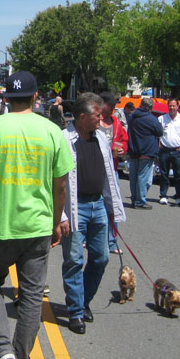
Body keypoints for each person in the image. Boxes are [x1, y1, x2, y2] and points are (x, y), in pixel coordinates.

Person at [0, 71, 74, 359]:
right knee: (31, 297)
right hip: (38, 226)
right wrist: (57, 222)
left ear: (5, 99)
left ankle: (1, 346)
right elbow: (60, 186)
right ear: (35, 96)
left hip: (0, 224)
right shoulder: (52, 131)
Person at [60, 93, 126, 334]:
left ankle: (83, 299)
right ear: (82, 117)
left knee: (101, 257)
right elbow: (53, 182)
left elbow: (109, 176)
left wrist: (111, 207)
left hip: (98, 205)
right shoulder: (64, 140)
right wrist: (61, 217)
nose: (101, 118)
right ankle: (76, 311)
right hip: (74, 207)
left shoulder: (100, 138)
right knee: (74, 261)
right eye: (97, 115)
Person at [98, 91, 127, 254]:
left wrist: (123, 149)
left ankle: (111, 242)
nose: (114, 109)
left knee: (113, 207)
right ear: (103, 104)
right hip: (95, 172)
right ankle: (91, 239)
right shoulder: (94, 121)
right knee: (94, 207)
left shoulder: (116, 123)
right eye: (113, 106)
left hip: (112, 171)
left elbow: (124, 140)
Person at [126, 96, 163, 209]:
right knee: (143, 177)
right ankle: (140, 200)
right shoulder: (151, 119)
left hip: (133, 150)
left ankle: (134, 198)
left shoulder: (132, 117)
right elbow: (160, 132)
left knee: (133, 177)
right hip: (146, 151)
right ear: (150, 108)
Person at [157, 98, 180, 206]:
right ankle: (163, 195)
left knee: (178, 175)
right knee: (164, 174)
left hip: (178, 151)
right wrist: (159, 142)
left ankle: (178, 196)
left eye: (174, 106)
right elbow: (157, 133)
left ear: (178, 107)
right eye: (170, 106)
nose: (172, 108)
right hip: (165, 150)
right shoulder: (161, 119)